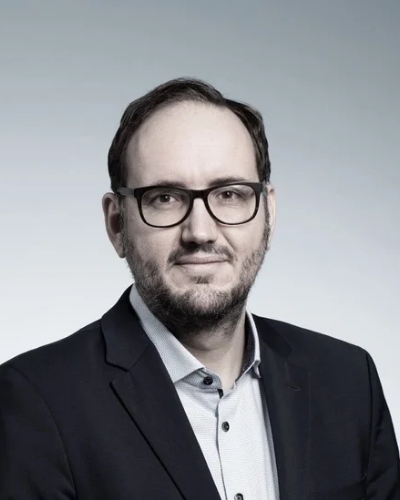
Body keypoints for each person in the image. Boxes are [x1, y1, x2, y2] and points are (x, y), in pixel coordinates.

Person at [0, 78, 399, 500]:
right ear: (117, 224)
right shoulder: (34, 402)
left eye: (229, 194)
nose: (201, 232)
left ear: (268, 211)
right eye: (164, 198)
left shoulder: (349, 381)